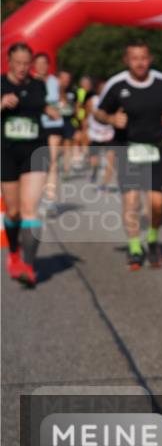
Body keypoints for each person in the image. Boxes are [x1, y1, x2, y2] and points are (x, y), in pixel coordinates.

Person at [95, 40, 162, 270]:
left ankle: (152, 239)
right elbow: (98, 112)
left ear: (150, 58)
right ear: (127, 60)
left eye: (143, 58)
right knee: (131, 201)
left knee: (157, 203)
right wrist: (112, 119)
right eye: (134, 58)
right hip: (127, 147)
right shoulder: (116, 84)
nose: (140, 63)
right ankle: (134, 246)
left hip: (155, 148)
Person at [2, 43, 51, 287]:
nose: (22, 68)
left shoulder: (38, 85)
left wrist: (51, 110)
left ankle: (28, 265)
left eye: (26, 63)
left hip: (35, 150)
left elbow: (40, 107)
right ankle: (13, 252)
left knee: (30, 208)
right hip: (7, 152)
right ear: (9, 62)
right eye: (17, 63)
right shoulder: (1, 84)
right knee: (13, 212)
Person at [33, 53, 62, 211]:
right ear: (34, 65)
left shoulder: (55, 82)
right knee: (37, 161)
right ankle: (36, 196)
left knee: (51, 161)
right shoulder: (29, 82)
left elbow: (62, 100)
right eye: (38, 63)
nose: (42, 66)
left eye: (45, 63)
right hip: (36, 125)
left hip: (53, 124)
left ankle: (50, 198)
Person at [86, 79, 116, 190]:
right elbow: (87, 116)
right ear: (98, 89)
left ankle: (105, 184)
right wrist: (85, 130)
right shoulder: (92, 100)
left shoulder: (114, 100)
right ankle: (94, 170)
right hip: (95, 134)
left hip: (109, 133)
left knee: (110, 160)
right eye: (102, 88)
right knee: (94, 159)